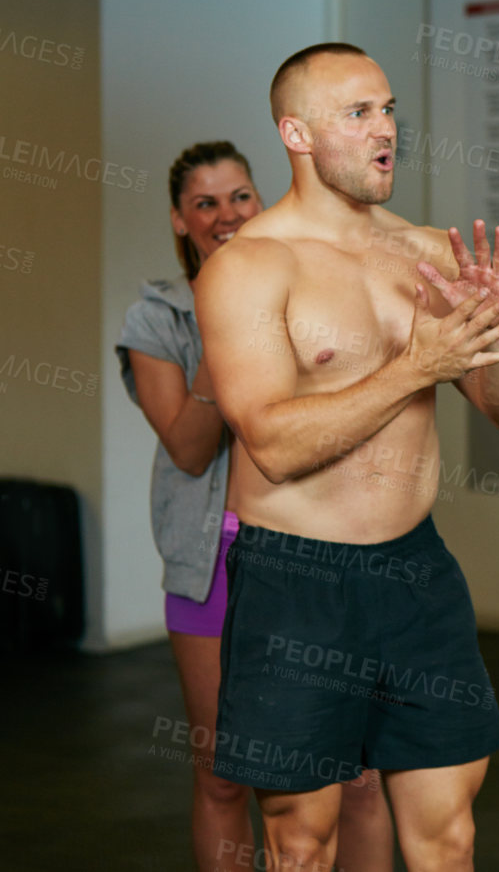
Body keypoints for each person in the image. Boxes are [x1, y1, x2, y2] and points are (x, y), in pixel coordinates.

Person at [195, 43, 499, 872]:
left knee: (448, 835)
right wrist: (419, 365)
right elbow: (274, 444)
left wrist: (496, 335)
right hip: (295, 581)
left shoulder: (425, 251)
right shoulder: (247, 266)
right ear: (297, 132)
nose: (386, 129)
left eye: (388, 110)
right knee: (301, 843)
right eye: (359, 113)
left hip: (414, 575)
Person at [115, 140, 391, 872]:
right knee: (222, 772)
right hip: (212, 564)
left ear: (260, 198)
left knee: (354, 769)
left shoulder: (302, 287)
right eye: (205, 202)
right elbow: (188, 448)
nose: (226, 214)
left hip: (314, 552)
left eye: (239, 196)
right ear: (180, 219)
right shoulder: (155, 322)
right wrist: (222, 327)